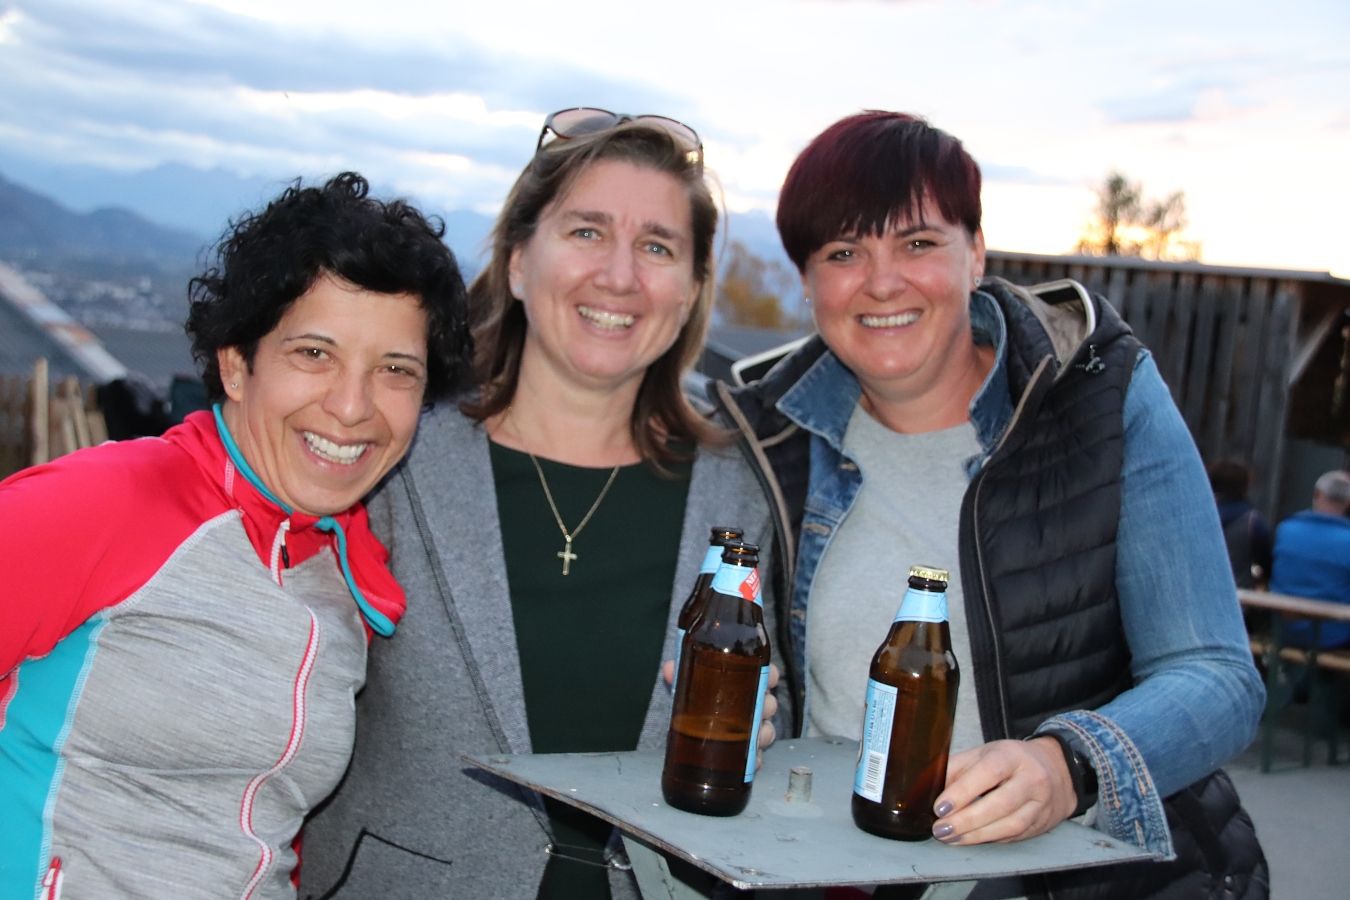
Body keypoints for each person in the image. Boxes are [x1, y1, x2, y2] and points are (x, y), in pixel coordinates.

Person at [713, 112, 1268, 898]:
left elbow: (1218, 675)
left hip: (1082, 881)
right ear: (807, 282)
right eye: (842, 253)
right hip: (841, 874)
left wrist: (1069, 765)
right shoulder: (767, 436)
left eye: (917, 243)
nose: (882, 282)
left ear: (975, 253)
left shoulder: (1101, 397)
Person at [300, 110, 778, 899]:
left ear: (691, 291)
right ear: (519, 261)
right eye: (587, 232)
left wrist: (762, 729)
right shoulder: (395, 456)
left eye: (658, 247)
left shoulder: (743, 490)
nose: (619, 276)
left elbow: (779, 707)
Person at [0, 172, 470, 898]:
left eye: (395, 370)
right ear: (236, 364)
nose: (352, 406)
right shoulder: (108, 503)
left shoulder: (345, 574)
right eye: (314, 354)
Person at [1269, 469, 1350, 648]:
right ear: (1347, 502)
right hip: (1333, 635)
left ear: (1316, 494)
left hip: (1282, 629)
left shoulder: (1286, 529)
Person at [1208, 459, 1273, 590]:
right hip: (1237, 593)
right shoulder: (1252, 522)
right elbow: (1267, 564)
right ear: (1245, 487)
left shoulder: (1197, 515)